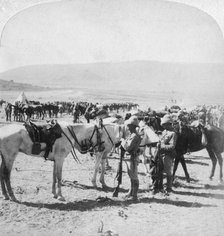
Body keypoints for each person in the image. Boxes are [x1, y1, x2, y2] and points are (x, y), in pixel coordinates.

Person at [153, 114, 177, 194]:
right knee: (159, 171)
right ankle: (160, 187)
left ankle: (169, 187)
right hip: (160, 154)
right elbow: (161, 141)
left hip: (167, 155)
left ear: (169, 124)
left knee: (168, 171)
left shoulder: (173, 133)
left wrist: (161, 146)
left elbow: (172, 146)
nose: (163, 126)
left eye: (165, 124)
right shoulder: (164, 132)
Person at [120, 116, 141, 201]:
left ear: (133, 126)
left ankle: (135, 196)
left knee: (134, 177)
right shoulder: (132, 135)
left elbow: (128, 147)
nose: (127, 127)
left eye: (129, 125)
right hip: (130, 157)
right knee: (131, 175)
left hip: (132, 158)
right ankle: (131, 192)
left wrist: (122, 141)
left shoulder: (135, 136)